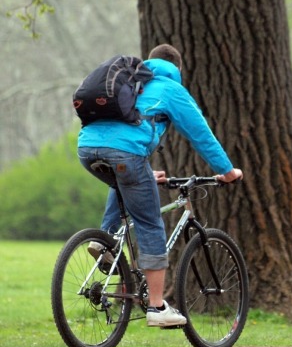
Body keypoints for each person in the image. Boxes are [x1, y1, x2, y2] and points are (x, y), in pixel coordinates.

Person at [77, 44, 243, 327]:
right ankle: (156, 307)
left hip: (86, 149)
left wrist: (140, 170)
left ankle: (105, 239)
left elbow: (115, 131)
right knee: (151, 224)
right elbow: (202, 136)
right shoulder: (171, 89)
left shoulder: (129, 82)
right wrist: (227, 172)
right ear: (178, 69)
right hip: (126, 155)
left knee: (123, 180)